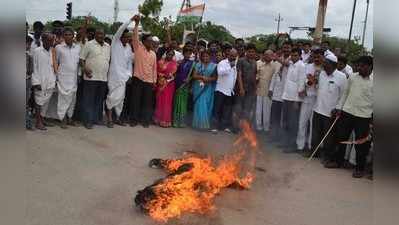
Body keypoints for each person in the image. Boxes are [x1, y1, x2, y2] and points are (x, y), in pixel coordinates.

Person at [331, 56, 373, 178]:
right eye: (358, 65)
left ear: (370, 66)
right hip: (347, 112)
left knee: (361, 144)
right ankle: (338, 161)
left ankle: (359, 168)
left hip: (364, 116)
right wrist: (339, 108)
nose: (359, 68)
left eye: (362, 66)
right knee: (341, 138)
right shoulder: (353, 77)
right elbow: (345, 93)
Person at [311, 54, 347, 163]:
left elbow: (343, 95)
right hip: (318, 109)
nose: (323, 64)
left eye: (326, 63)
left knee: (329, 137)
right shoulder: (321, 74)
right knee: (316, 133)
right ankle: (314, 152)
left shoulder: (341, 77)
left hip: (330, 112)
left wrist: (338, 108)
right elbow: (318, 88)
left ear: (333, 65)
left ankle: (327, 156)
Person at [105, 17, 134, 128]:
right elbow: (120, 29)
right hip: (113, 76)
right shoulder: (115, 43)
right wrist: (131, 20)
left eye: (129, 37)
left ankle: (117, 118)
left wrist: (129, 75)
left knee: (120, 99)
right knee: (112, 97)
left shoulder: (128, 48)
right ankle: (109, 119)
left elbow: (129, 64)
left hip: (123, 77)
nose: (127, 39)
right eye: (126, 37)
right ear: (120, 36)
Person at [79, 28, 111, 129]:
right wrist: (85, 69)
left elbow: (107, 61)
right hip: (91, 78)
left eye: (102, 34)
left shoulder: (108, 46)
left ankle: (96, 119)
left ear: (104, 35)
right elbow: (81, 59)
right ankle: (87, 121)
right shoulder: (89, 44)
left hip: (103, 78)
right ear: (95, 35)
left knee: (99, 100)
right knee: (89, 100)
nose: (100, 36)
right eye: (98, 34)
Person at [129, 15, 157, 128]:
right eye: (149, 41)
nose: (151, 43)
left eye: (152, 42)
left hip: (149, 81)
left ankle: (145, 120)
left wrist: (154, 81)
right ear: (144, 42)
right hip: (138, 79)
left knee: (147, 103)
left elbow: (154, 68)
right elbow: (135, 37)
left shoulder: (154, 54)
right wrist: (136, 24)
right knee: (135, 101)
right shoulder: (138, 48)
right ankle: (133, 120)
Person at [280, 48, 306, 152]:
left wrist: (297, 100)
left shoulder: (301, 66)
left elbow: (301, 83)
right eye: (292, 55)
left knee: (292, 123)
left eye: (296, 55)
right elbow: (283, 62)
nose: (293, 57)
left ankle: (292, 145)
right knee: (285, 121)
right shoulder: (290, 64)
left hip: (294, 100)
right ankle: (285, 142)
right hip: (286, 97)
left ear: (300, 56)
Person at [298, 49, 324, 155]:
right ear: (312, 57)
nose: (317, 59)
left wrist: (316, 81)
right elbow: (303, 80)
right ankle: (300, 145)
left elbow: (324, 84)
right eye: (315, 57)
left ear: (323, 57)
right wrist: (308, 82)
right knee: (302, 122)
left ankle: (311, 146)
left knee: (314, 125)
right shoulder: (307, 66)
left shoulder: (325, 69)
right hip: (307, 97)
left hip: (318, 100)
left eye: (319, 57)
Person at [55, 27, 81, 129]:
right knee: (63, 99)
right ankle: (62, 119)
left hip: (73, 78)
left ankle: (70, 118)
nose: (68, 36)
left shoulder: (77, 47)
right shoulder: (59, 48)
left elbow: (78, 63)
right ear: (63, 36)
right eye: (65, 35)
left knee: (72, 99)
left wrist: (79, 74)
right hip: (62, 77)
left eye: (70, 34)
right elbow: (56, 63)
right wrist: (56, 76)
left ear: (73, 36)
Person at [31, 32, 56, 130]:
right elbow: (34, 67)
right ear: (43, 40)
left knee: (46, 102)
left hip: (50, 80)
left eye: (52, 40)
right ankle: (38, 122)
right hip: (40, 80)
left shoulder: (52, 51)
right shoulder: (37, 51)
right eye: (49, 40)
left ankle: (42, 119)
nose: (51, 42)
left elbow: (53, 65)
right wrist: (36, 82)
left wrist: (54, 79)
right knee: (38, 102)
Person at [212, 48, 238, 133]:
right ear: (228, 55)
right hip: (221, 90)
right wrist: (230, 66)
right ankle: (215, 126)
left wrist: (233, 88)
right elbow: (220, 72)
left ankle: (223, 126)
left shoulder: (235, 65)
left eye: (234, 56)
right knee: (217, 109)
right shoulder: (222, 63)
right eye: (231, 55)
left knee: (226, 110)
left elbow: (234, 77)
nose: (233, 57)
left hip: (229, 91)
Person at [268, 42, 291, 141]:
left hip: (286, 95)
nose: (286, 49)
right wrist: (270, 89)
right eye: (284, 47)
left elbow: (286, 64)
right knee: (274, 116)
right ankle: (273, 135)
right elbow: (275, 75)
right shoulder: (277, 60)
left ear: (291, 48)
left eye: (288, 47)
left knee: (284, 118)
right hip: (276, 93)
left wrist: (277, 58)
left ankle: (282, 137)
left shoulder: (293, 60)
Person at [233, 43, 258, 132]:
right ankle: (235, 128)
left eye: (253, 52)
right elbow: (239, 75)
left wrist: (255, 89)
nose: (251, 53)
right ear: (246, 52)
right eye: (249, 51)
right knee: (238, 109)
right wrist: (241, 88)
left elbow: (254, 76)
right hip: (241, 89)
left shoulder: (255, 62)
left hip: (250, 90)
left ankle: (244, 128)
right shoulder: (241, 60)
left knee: (247, 110)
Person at [192, 50, 217, 130]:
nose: (205, 57)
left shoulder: (214, 66)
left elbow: (215, 78)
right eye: (203, 56)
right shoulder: (198, 64)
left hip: (208, 87)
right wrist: (202, 77)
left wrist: (208, 79)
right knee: (199, 103)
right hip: (198, 87)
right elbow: (194, 76)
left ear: (210, 57)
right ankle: (198, 124)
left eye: (207, 56)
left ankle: (204, 124)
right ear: (201, 57)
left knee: (206, 105)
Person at [255, 49, 278, 132]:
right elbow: (257, 77)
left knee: (267, 111)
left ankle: (266, 128)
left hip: (268, 92)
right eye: (265, 55)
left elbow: (275, 79)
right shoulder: (260, 65)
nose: (266, 56)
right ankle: (258, 127)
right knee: (258, 111)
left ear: (272, 56)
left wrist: (271, 90)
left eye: (268, 55)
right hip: (259, 90)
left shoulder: (275, 66)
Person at [154, 49, 178, 127]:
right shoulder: (160, 62)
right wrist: (163, 75)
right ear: (166, 54)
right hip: (160, 83)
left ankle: (165, 120)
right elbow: (156, 71)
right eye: (169, 54)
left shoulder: (174, 64)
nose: (170, 56)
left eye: (172, 55)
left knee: (167, 102)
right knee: (160, 100)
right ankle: (157, 119)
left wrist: (168, 76)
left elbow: (174, 74)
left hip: (169, 84)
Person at [173, 47, 195, 128]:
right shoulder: (179, 62)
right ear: (183, 53)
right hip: (178, 83)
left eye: (189, 53)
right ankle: (175, 121)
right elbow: (175, 72)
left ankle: (182, 122)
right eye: (186, 53)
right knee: (177, 103)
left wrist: (189, 79)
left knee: (183, 103)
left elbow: (194, 75)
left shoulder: (193, 64)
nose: (188, 54)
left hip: (186, 85)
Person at [26, 35, 34, 130]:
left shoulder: (29, 55)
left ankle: (27, 123)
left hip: (27, 80)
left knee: (26, 103)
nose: (28, 45)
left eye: (29, 44)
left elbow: (30, 70)